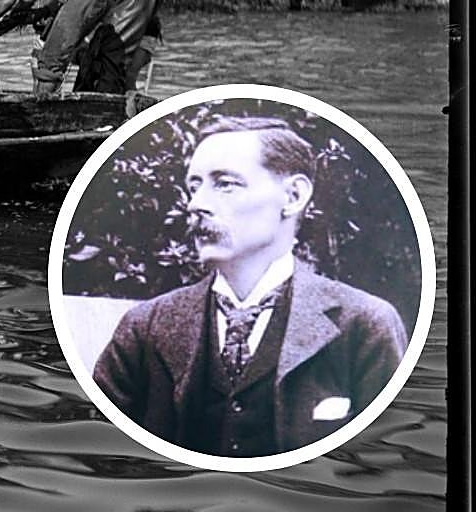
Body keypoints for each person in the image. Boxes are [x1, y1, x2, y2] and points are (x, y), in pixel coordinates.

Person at [92, 116, 408, 458]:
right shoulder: (144, 328)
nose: (195, 204)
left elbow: (384, 464)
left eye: (225, 184)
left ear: (293, 196)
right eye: (194, 186)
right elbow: (97, 449)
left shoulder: (364, 326)